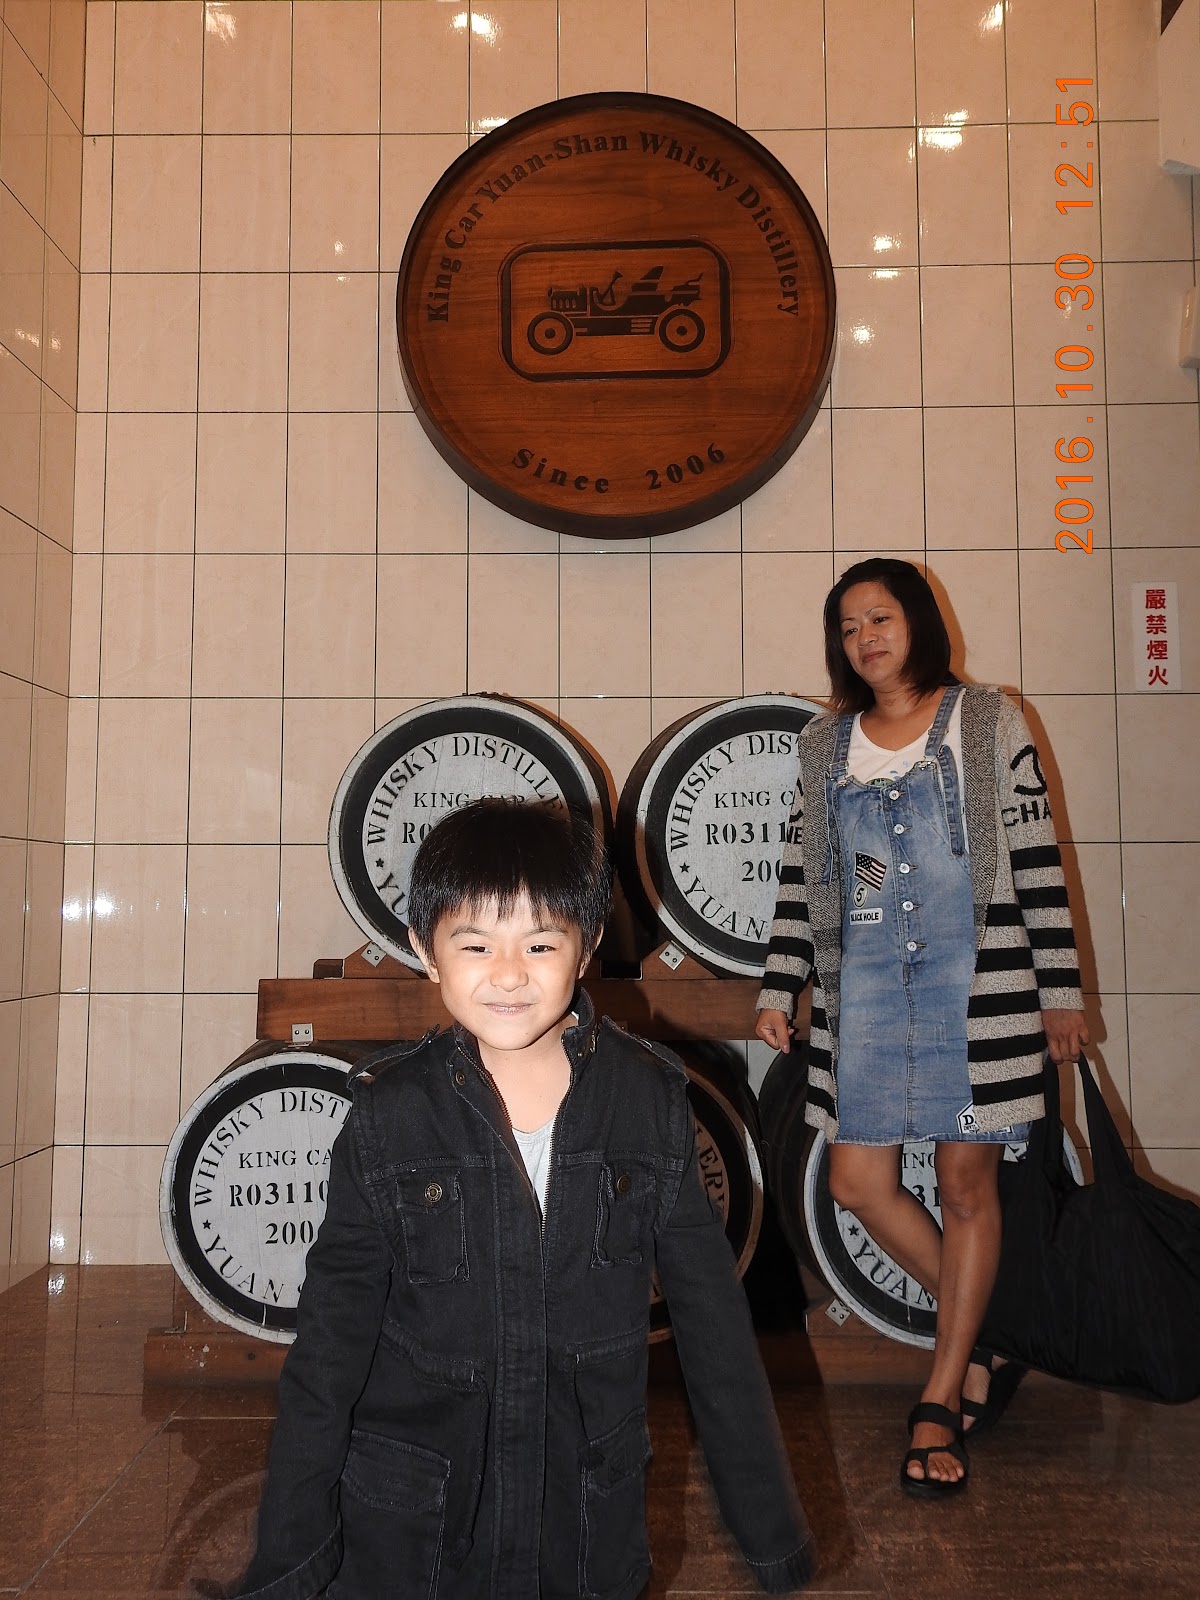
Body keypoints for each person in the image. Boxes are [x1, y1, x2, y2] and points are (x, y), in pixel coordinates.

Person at [234, 799, 816, 1599]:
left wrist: (769, 1532)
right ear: (425, 950)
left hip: (581, 1518)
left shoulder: (645, 1103)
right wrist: (287, 1556)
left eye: (540, 943)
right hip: (417, 1524)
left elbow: (715, 1332)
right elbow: (330, 1347)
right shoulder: (388, 1116)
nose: (508, 974)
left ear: (586, 946)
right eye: (475, 944)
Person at [755, 559, 1088, 1499]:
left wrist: (1059, 991)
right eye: (849, 626)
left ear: (920, 624)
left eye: (881, 618)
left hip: (978, 987)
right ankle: (985, 1330)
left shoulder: (988, 721)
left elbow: (1035, 857)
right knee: (858, 1181)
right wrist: (781, 986)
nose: (865, 638)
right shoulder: (824, 742)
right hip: (862, 992)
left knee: (964, 1184)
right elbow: (805, 876)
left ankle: (941, 1393)